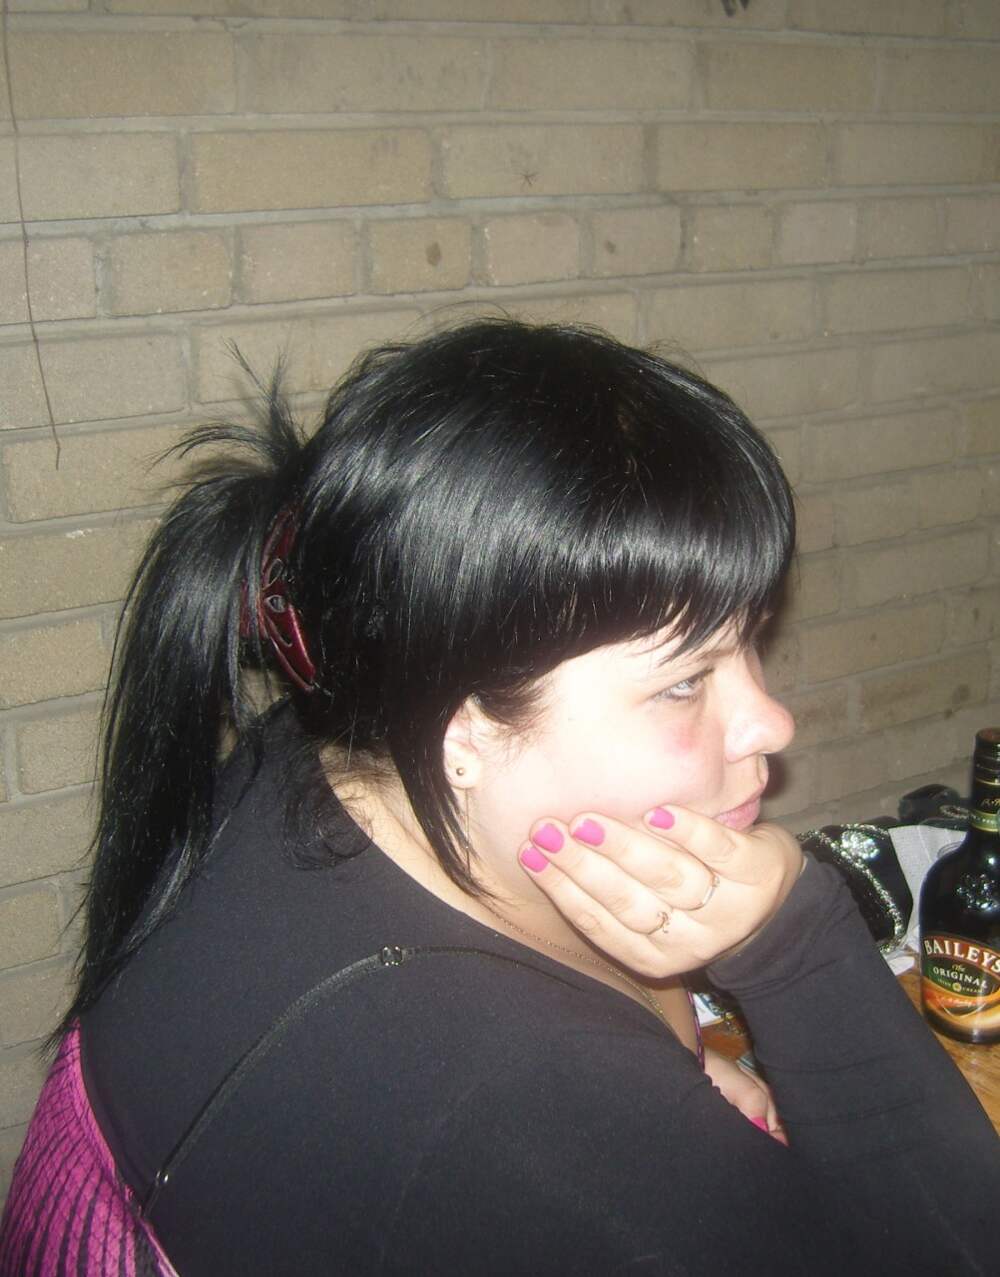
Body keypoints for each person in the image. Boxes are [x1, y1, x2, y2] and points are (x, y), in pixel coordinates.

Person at [1, 319, 996, 1276]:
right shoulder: (523, 1103)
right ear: (465, 729)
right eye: (685, 680)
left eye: (751, 637)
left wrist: (677, 1064)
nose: (770, 721)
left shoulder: (313, 763)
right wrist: (793, 936)